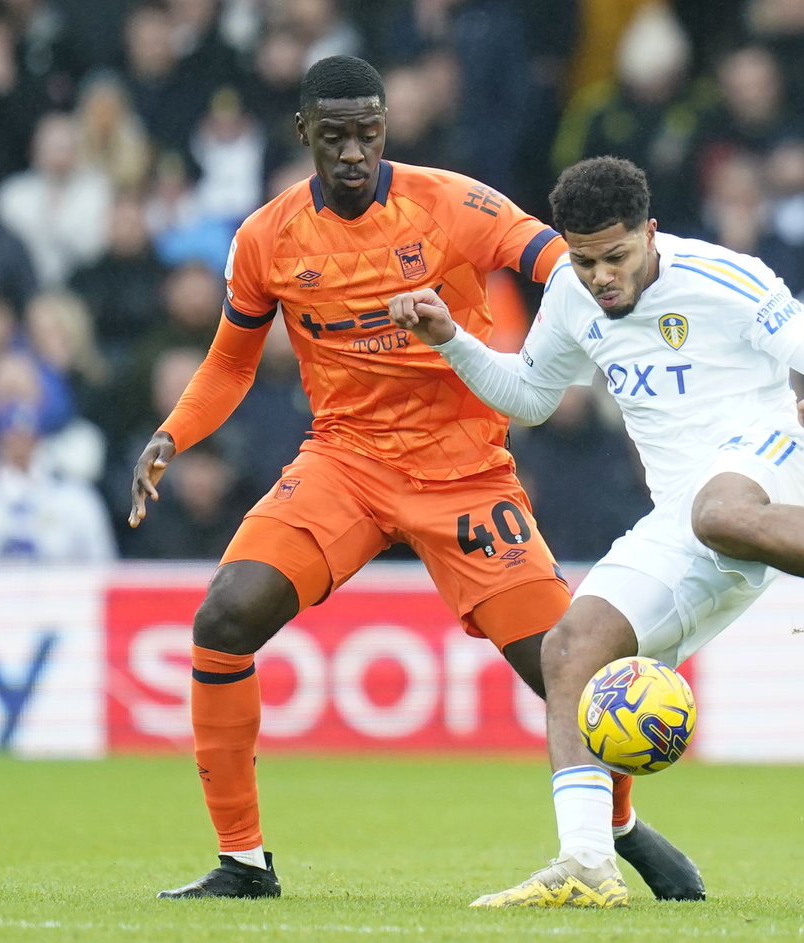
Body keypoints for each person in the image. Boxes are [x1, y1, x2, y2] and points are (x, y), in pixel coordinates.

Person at [388, 156, 804, 909]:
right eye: (584, 258)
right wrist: (451, 341)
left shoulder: (729, 278)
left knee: (717, 510)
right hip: (683, 516)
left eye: (616, 256)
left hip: (771, 464)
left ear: (650, 234)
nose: (600, 276)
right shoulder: (569, 291)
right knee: (570, 648)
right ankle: (588, 862)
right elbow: (530, 397)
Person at [129, 56, 701, 903]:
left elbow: (549, 259)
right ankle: (243, 862)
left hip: (464, 473)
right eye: (335, 137)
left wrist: (622, 313)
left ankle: (614, 827)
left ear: (386, 129)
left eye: (368, 133)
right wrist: (173, 434)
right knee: (223, 618)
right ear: (304, 137)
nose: (354, 152)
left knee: (566, 671)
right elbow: (231, 362)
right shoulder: (266, 237)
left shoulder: (451, 204)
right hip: (345, 463)